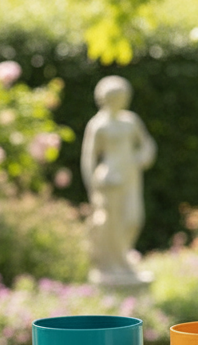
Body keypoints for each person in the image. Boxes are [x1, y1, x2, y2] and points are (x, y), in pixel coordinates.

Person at [81, 76, 157, 286]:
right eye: (116, 97)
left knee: (133, 219)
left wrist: (142, 158)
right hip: (109, 181)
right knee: (110, 224)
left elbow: (147, 145)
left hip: (130, 177)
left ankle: (123, 260)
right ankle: (113, 266)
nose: (121, 101)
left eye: (123, 96)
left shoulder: (131, 121)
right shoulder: (98, 125)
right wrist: (92, 189)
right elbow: (88, 158)